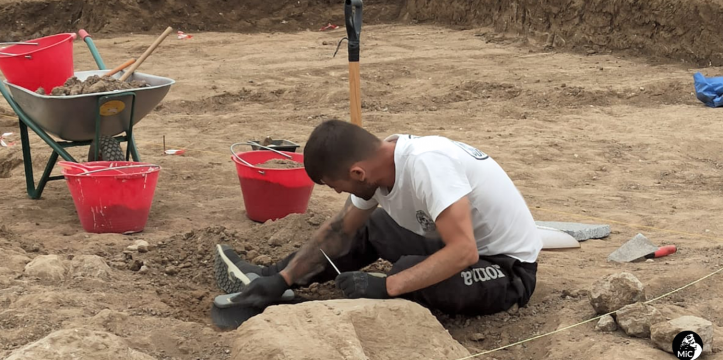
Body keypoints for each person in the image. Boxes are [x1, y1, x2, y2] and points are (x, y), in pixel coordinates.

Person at [214, 119, 542, 316]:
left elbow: (464, 252)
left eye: (336, 186)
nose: (340, 193)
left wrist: (387, 286)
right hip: (452, 240)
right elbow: (341, 229)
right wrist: (284, 278)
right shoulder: (379, 164)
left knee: (404, 273)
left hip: (505, 268)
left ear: (357, 172)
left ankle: (397, 283)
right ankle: (263, 278)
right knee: (369, 227)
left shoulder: (429, 165)